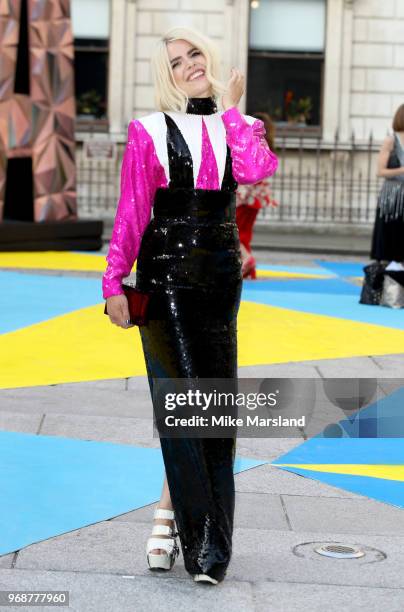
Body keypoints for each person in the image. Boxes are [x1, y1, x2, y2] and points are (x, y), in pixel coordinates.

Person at [102, 26, 278, 585]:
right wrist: (113, 282)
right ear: (166, 75)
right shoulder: (148, 130)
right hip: (166, 275)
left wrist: (228, 108)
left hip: (222, 276)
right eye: (176, 62)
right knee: (182, 402)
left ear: (210, 57)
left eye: (194, 53)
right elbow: (132, 212)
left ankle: (177, 520)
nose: (189, 65)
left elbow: (255, 171)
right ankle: (204, 543)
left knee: (213, 402)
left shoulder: (242, 127)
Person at [235, 112, 278, 279]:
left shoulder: (250, 145)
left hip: (244, 196)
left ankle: (246, 262)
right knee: (244, 233)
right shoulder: (266, 147)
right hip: (256, 198)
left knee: (235, 231)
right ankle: (248, 270)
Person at [370, 103, 404, 263]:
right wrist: (402, 170)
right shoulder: (391, 141)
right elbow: (380, 171)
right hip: (392, 200)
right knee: (389, 250)